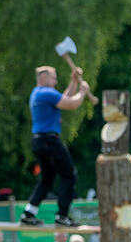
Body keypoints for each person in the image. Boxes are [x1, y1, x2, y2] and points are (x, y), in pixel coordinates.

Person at [19, 66, 90, 227]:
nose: (56, 81)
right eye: (53, 77)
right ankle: (62, 216)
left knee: (47, 179)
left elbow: (63, 99)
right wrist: (83, 91)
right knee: (69, 175)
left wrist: (73, 82)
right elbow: (71, 104)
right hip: (49, 141)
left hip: (39, 141)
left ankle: (29, 213)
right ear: (43, 77)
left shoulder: (37, 93)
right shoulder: (46, 93)